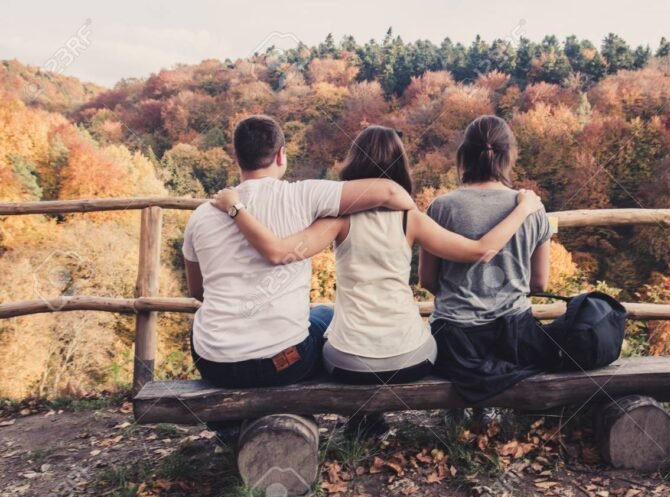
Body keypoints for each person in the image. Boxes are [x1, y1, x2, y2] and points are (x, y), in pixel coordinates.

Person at [209, 125, 544, 389]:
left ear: (354, 162)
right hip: (411, 358)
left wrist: (237, 209)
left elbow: (281, 252)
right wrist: (524, 209)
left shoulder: (336, 220)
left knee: (322, 316)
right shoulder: (410, 217)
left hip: (348, 364)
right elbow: (481, 251)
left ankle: (364, 421)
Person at [182, 115, 418, 392]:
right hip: (283, 364)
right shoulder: (304, 195)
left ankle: (226, 422)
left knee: (211, 332)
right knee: (328, 317)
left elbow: (198, 291)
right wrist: (410, 219)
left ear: (237, 158)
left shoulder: (201, 216)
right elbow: (391, 191)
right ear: (281, 155)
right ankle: (365, 416)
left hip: (214, 363)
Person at [419, 115, 559, 407]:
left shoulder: (441, 208)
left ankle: (459, 411)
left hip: (456, 341)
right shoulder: (533, 209)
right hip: (515, 337)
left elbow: (428, 281)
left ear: (464, 156)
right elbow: (539, 283)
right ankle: (491, 408)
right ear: (509, 156)